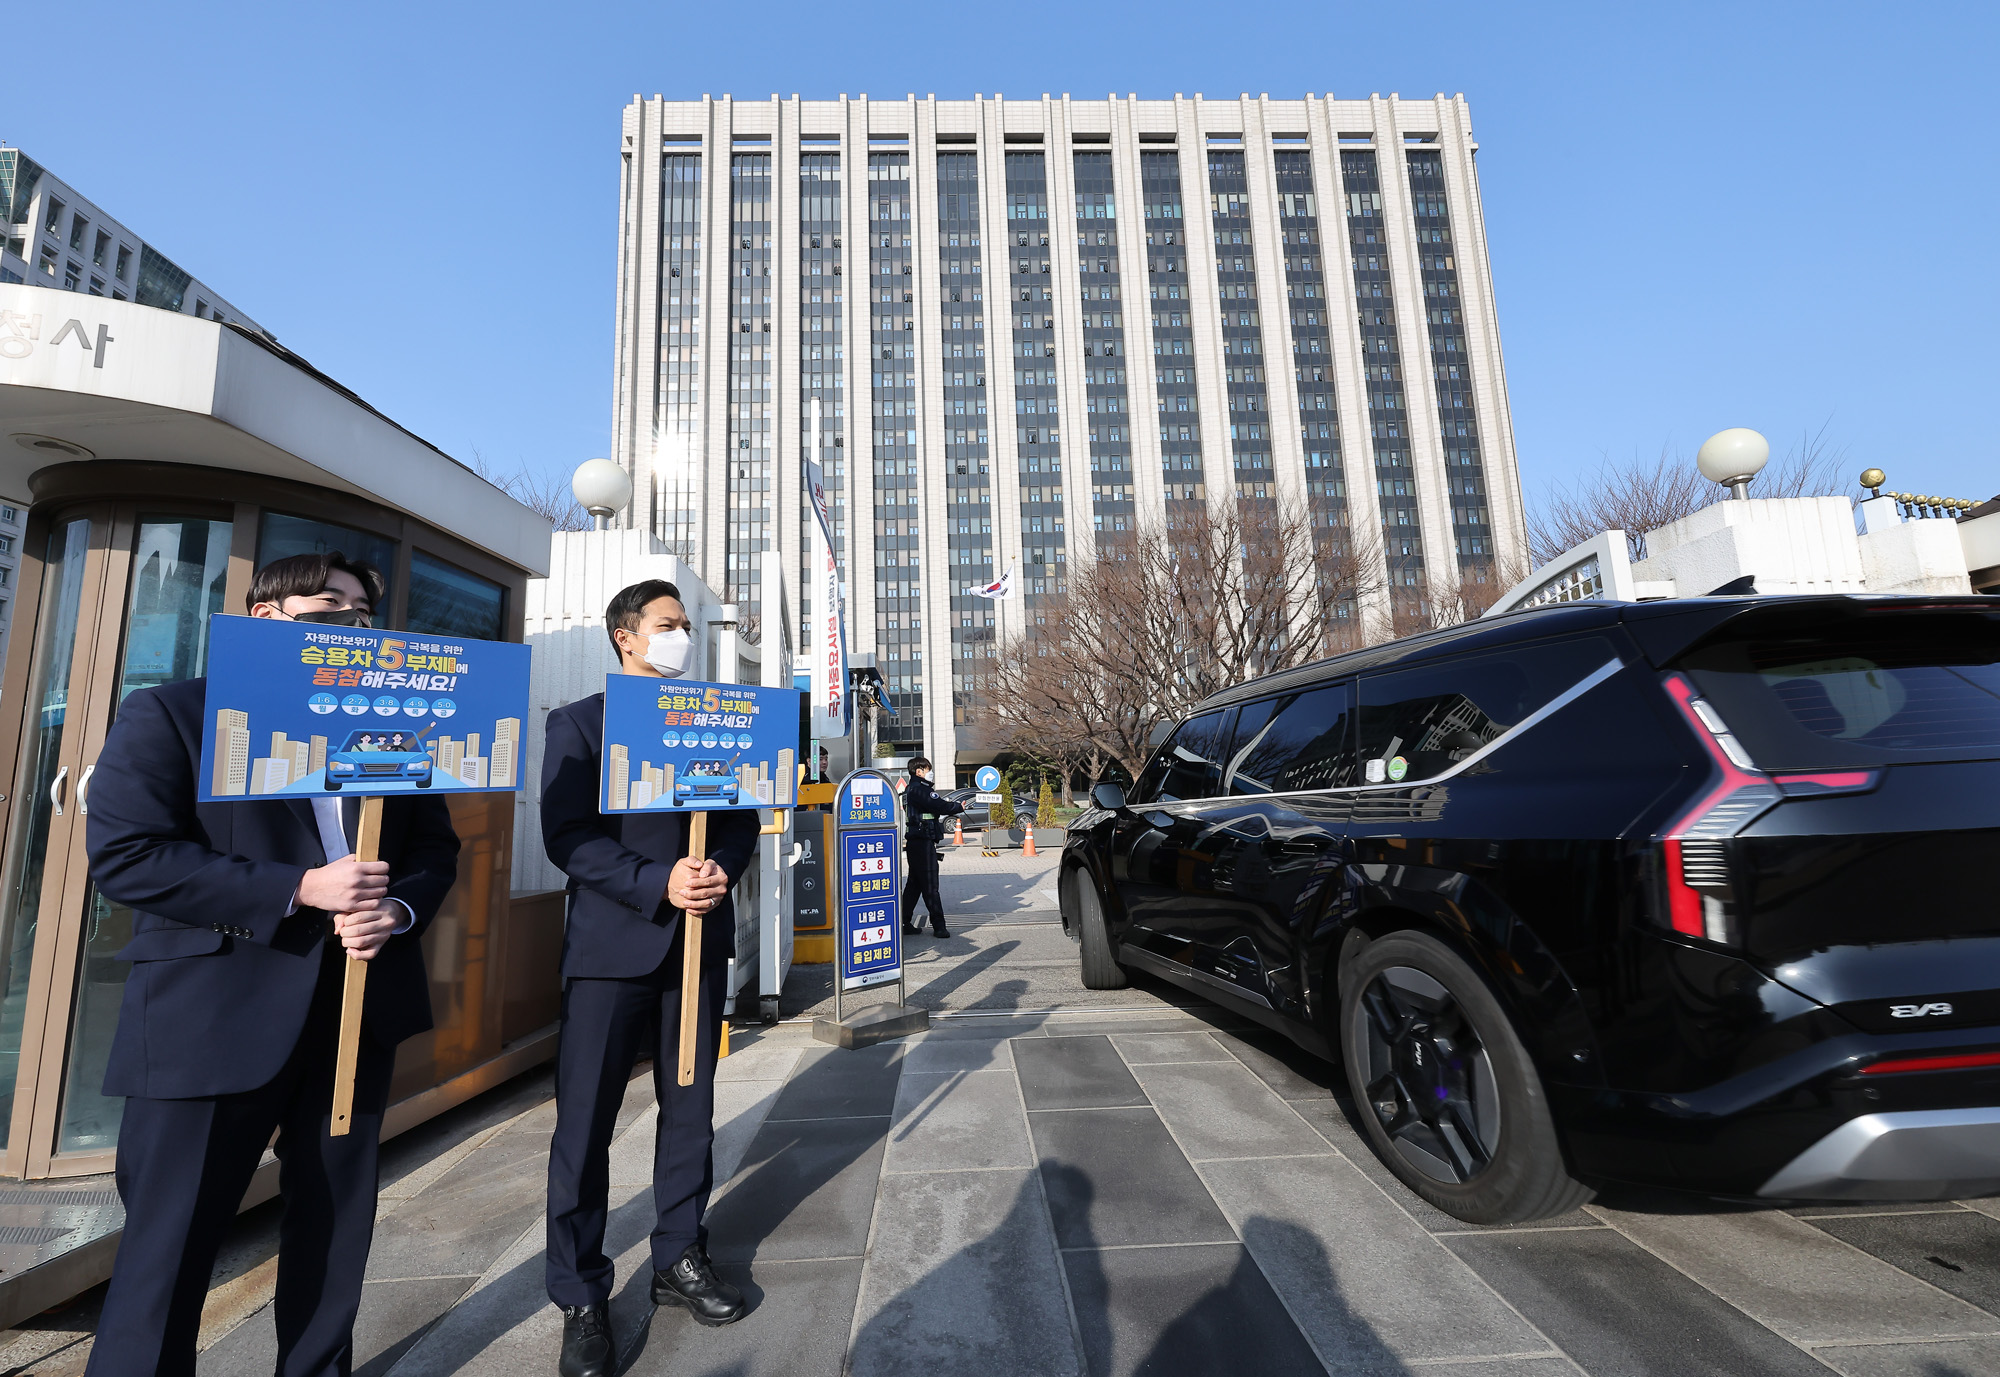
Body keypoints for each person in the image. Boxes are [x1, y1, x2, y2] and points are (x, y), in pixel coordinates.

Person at [82, 551, 461, 1377]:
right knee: (166, 1252)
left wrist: (396, 911)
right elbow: (127, 855)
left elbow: (435, 848)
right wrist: (298, 887)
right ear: (265, 617)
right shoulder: (176, 713)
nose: (353, 624)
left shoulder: (387, 729)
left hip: (354, 1010)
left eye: (363, 613)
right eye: (331, 605)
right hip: (209, 1017)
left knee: (333, 1230)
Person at [540, 579, 761, 1377]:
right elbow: (567, 835)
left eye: (687, 625)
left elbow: (740, 815)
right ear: (626, 636)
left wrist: (720, 869)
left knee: (691, 1110)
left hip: (696, 946)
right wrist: (655, 880)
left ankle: (679, 1254)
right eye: (668, 624)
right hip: (610, 952)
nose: (682, 637)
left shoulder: (714, 719)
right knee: (584, 1126)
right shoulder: (579, 723)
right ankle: (580, 1292)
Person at [900, 757, 963, 939]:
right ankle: (939, 926)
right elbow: (939, 805)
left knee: (914, 885)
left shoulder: (910, 790)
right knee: (930, 885)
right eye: (928, 770)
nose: (931, 773)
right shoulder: (920, 789)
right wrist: (958, 806)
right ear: (919, 771)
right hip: (923, 842)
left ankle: (903, 922)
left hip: (916, 842)